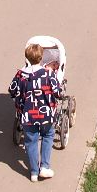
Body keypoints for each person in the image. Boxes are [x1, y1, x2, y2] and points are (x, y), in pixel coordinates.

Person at [10, 42, 65, 181]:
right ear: (41, 58)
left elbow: (12, 90)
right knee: (48, 135)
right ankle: (44, 167)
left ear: (27, 58)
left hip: (27, 115)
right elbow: (58, 93)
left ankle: (34, 172)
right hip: (45, 114)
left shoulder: (20, 75)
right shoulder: (48, 74)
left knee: (31, 141)